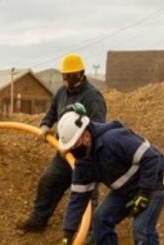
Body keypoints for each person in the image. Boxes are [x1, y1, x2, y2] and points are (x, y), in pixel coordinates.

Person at [57, 110, 164, 245]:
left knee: (142, 228)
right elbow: (78, 197)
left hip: (155, 179)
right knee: (101, 219)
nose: (73, 152)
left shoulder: (115, 139)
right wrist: (68, 232)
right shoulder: (84, 161)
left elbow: (152, 158)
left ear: (85, 135)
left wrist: (143, 193)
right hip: (126, 186)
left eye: (74, 146)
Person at [17, 53, 107, 232]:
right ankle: (38, 221)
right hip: (63, 152)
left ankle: (91, 240)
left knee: (88, 197)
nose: (67, 80)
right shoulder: (61, 93)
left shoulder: (92, 98)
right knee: (48, 182)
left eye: (71, 76)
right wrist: (45, 125)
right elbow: (51, 113)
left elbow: (97, 128)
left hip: (85, 157)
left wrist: (81, 148)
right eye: (65, 76)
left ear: (80, 74)